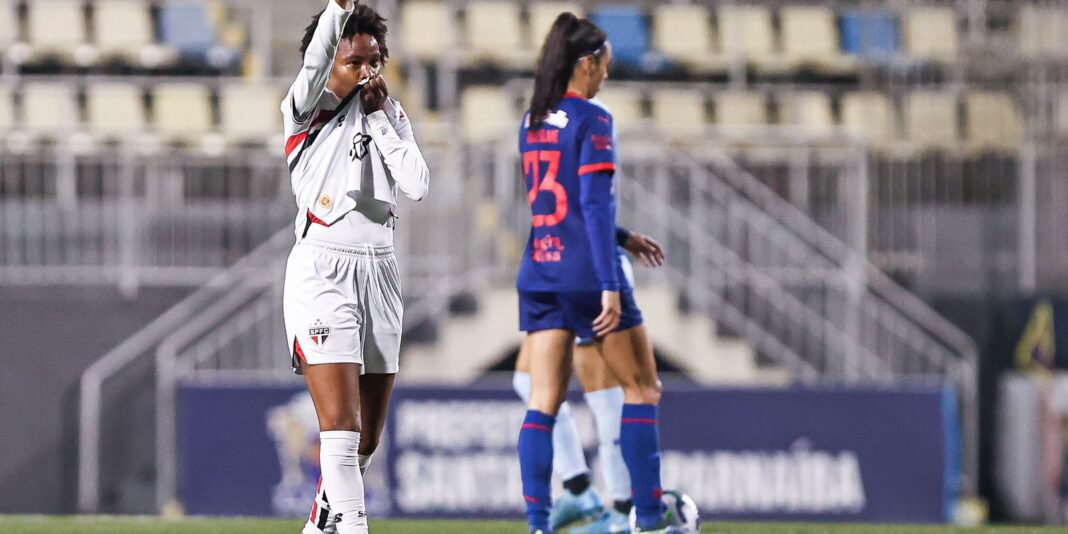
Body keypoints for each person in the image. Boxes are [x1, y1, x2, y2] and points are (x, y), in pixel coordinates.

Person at [516, 12, 677, 534]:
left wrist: (625, 236)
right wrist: (611, 282)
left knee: (542, 400)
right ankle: (649, 518)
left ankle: (539, 523)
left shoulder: (532, 119)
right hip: (588, 275)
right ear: (586, 63)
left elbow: (555, 206)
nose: (606, 73)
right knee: (642, 388)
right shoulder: (593, 119)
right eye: (605, 64)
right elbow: (592, 205)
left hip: (540, 271)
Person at [279, 1, 429, 533]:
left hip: (381, 273)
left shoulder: (391, 111)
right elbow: (319, 56)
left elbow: (416, 184)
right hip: (323, 270)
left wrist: (382, 120)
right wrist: (337, 10)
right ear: (328, 68)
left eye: (374, 61)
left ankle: (323, 520)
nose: (366, 72)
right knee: (339, 431)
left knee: (365, 441)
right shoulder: (307, 111)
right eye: (354, 62)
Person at [513, 226, 664, 534]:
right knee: (531, 383)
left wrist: (618, 241)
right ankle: (581, 489)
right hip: (560, 257)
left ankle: (622, 508)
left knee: (606, 389)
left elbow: (590, 201)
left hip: (584, 260)